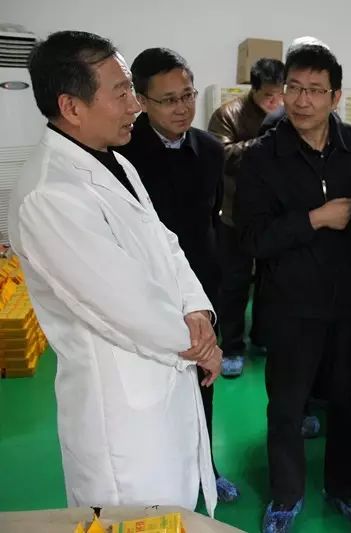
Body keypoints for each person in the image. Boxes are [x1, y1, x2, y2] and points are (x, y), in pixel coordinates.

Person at [8, 31, 220, 514]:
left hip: (167, 370)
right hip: (122, 412)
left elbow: (166, 244)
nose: (135, 106)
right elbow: (123, 305)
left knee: (175, 509)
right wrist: (199, 344)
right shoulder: (49, 195)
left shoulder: (115, 161)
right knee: (133, 515)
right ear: (72, 106)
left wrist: (197, 310)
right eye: (122, 92)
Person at [235, 42, 351, 533]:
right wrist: (314, 219)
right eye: (294, 88)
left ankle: (346, 489)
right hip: (291, 305)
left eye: (315, 90)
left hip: (350, 304)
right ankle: (286, 495)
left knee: (347, 403)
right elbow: (252, 237)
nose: (302, 101)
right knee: (286, 405)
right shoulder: (262, 156)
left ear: (336, 96)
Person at [115, 47, 239, 503]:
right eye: (168, 100)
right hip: (146, 292)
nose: (182, 107)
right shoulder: (121, 153)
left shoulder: (210, 149)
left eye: (188, 95)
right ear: (141, 101)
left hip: (201, 287)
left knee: (202, 380)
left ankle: (206, 467)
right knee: (152, 389)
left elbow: (209, 219)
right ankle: (162, 479)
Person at [208, 58, 284, 378]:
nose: (275, 101)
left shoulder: (289, 114)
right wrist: (265, 143)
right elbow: (221, 156)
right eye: (268, 95)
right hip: (234, 213)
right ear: (253, 89)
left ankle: (263, 337)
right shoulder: (228, 114)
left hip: (273, 215)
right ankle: (232, 346)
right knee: (234, 283)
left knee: (271, 281)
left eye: (280, 94)